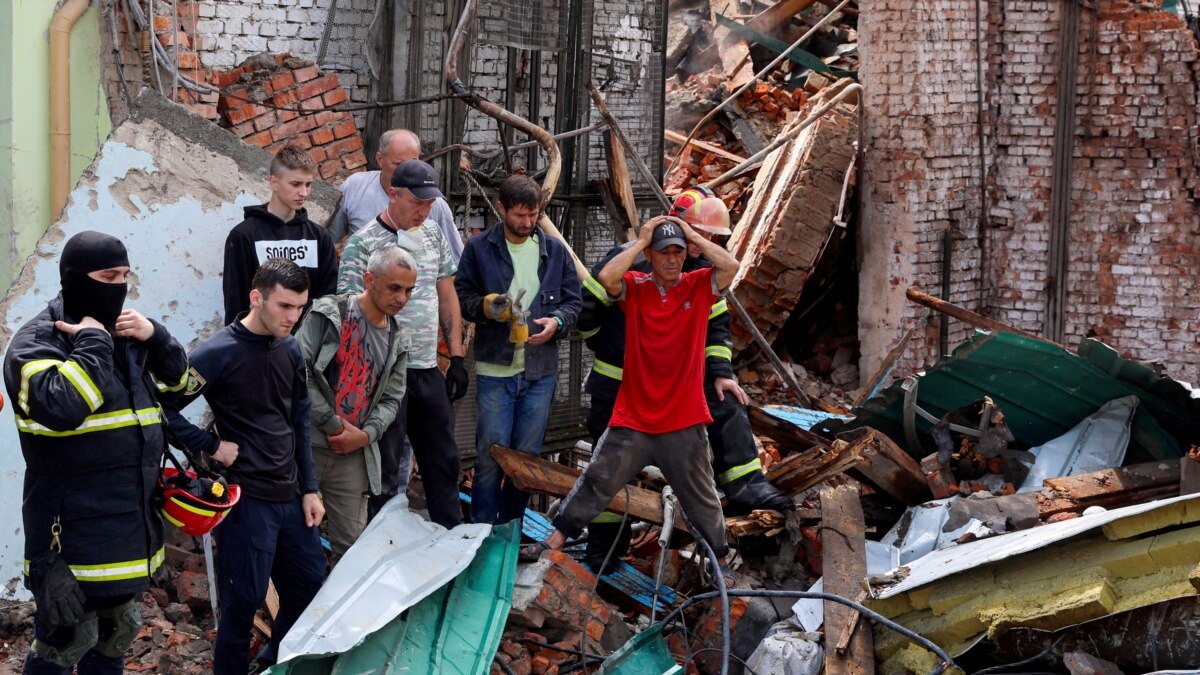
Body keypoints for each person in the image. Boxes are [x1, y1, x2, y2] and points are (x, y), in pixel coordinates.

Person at [577, 188, 792, 572]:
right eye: (700, 236)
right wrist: (607, 343)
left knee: (726, 403)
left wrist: (722, 374)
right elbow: (590, 308)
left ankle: (745, 485)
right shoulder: (632, 262)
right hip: (619, 384)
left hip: (677, 387)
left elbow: (718, 327)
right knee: (607, 463)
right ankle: (605, 543)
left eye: (709, 240)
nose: (703, 245)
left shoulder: (697, 275)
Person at [4, 231, 188, 674]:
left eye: (125, 275)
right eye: (109, 276)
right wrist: (92, 343)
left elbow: (180, 390)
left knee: (113, 641)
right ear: (73, 279)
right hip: (68, 547)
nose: (119, 286)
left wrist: (157, 337)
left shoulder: (125, 334)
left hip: (128, 536)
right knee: (61, 648)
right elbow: (62, 408)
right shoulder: (35, 345)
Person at [522, 216, 740, 587]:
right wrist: (640, 243)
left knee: (702, 497)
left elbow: (731, 266)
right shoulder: (636, 286)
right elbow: (607, 279)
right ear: (650, 258)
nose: (672, 260)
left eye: (678, 253)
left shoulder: (698, 286)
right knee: (597, 480)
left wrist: (690, 237)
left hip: (683, 421)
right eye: (664, 253)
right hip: (633, 418)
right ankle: (553, 541)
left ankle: (720, 561)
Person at [163, 259, 326, 675]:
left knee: (307, 586)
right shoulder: (216, 353)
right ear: (257, 298)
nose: (294, 317)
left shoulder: (290, 347)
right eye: (285, 306)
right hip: (246, 500)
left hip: (291, 498)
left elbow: (299, 420)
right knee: (243, 601)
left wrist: (309, 488)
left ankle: (274, 664)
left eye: (300, 307)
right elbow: (161, 409)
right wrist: (212, 445)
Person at [338, 159, 467, 528]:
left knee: (443, 460)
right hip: (383, 376)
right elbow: (350, 316)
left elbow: (447, 296)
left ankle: (449, 538)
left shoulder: (432, 235)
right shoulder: (363, 244)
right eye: (416, 203)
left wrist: (455, 357)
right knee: (384, 468)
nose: (423, 211)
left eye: (429, 204)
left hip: (426, 368)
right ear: (393, 194)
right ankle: (380, 541)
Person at [455, 174, 582, 524]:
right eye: (519, 215)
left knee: (525, 461)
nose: (526, 223)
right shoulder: (480, 249)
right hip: (496, 369)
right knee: (490, 457)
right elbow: (462, 298)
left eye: (533, 215)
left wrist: (556, 322)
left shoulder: (554, 251)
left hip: (539, 372)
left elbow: (574, 302)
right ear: (501, 209)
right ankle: (480, 533)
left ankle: (511, 531)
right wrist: (487, 306)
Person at [297, 246, 416, 562]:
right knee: (289, 538)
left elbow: (393, 397)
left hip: (353, 455)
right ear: (368, 279)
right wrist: (333, 424)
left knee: (351, 552)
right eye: (394, 287)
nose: (402, 298)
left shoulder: (398, 338)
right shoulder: (329, 315)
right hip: (305, 444)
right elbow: (299, 372)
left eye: (408, 290)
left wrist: (365, 436)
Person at [222, 144, 338, 325]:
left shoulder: (319, 237)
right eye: (296, 184)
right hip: (259, 345)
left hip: (308, 345)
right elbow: (236, 302)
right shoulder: (244, 235)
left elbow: (329, 300)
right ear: (274, 182)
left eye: (308, 185)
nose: (304, 193)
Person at [329, 128, 463, 262]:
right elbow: (327, 240)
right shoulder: (354, 188)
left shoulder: (434, 203)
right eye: (398, 164)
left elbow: (456, 261)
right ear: (380, 159)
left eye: (412, 163)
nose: (406, 170)